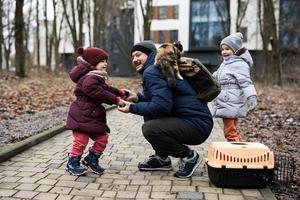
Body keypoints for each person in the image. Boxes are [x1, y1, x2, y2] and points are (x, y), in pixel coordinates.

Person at [118, 41, 213, 178]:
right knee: (150, 115)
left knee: (150, 128)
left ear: (150, 54)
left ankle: (189, 157)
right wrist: (137, 98)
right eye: (132, 57)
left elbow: (162, 106)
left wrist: (132, 108)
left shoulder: (152, 71)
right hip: (199, 122)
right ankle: (162, 159)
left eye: (138, 55)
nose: (135, 59)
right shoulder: (159, 68)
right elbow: (162, 102)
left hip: (196, 124)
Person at [65, 47, 126, 176]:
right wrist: (115, 100)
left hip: (92, 115)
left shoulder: (96, 77)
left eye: (106, 61)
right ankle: (72, 163)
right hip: (81, 115)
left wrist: (119, 92)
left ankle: (91, 159)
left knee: (102, 138)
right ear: (92, 63)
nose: (105, 64)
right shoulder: (89, 79)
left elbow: (105, 89)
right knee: (81, 141)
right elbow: (98, 92)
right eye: (101, 61)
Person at [213, 32, 257, 142]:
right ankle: (239, 149)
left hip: (231, 102)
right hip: (228, 102)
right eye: (222, 49)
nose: (224, 52)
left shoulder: (238, 64)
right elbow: (216, 76)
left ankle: (237, 154)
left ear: (235, 50)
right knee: (232, 130)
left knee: (230, 132)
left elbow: (246, 82)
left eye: (227, 49)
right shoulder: (226, 63)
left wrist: (251, 96)